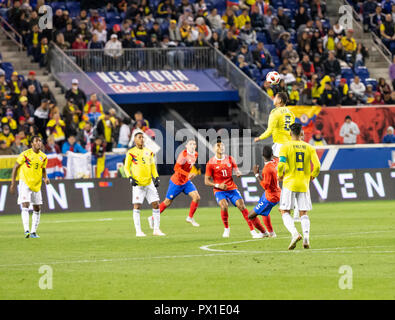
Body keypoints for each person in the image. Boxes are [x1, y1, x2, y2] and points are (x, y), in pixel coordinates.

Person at [205, 138, 266, 238]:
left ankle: (252, 231)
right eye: (218, 145)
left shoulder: (230, 159)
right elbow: (206, 181)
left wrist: (238, 172)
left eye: (222, 145)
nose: (221, 147)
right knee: (224, 206)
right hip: (219, 190)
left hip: (231, 188)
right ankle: (226, 229)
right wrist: (218, 185)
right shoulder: (210, 163)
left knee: (242, 206)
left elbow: (236, 169)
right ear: (214, 148)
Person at [278, 123, 321, 250]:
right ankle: (306, 237)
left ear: (290, 133)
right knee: (303, 212)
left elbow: (281, 165)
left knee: (284, 211)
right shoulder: (309, 147)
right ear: (302, 133)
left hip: (289, 183)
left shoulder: (285, 147)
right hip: (303, 183)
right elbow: (317, 165)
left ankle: (295, 234)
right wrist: (313, 175)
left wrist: (280, 175)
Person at [153, 140, 201, 227]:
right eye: (190, 144)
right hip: (177, 182)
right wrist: (188, 174)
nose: (192, 145)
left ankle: (190, 217)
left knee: (196, 197)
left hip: (186, 181)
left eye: (194, 144)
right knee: (167, 202)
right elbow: (176, 168)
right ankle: (153, 218)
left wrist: (191, 174)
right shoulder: (183, 155)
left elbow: (188, 166)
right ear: (186, 146)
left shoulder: (196, 154)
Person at [124, 132, 164, 237]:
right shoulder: (131, 152)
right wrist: (130, 178)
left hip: (149, 182)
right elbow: (126, 167)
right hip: (138, 183)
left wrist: (156, 177)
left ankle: (156, 229)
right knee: (137, 206)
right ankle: (138, 231)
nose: (141, 139)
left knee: (156, 204)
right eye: (139, 137)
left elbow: (152, 166)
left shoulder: (149, 152)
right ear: (135, 140)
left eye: (143, 137)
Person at [10, 136, 50, 238]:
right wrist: (13, 183)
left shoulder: (43, 157)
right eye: (36, 141)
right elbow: (15, 167)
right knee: (25, 205)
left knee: (37, 208)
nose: (39, 143)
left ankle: (33, 232)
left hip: (36, 184)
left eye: (40, 141)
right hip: (25, 182)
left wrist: (45, 178)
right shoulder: (25, 154)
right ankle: (26, 230)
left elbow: (43, 169)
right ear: (32, 144)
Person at [248, 145, 281, 238]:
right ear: (272, 154)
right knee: (264, 212)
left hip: (271, 197)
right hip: (272, 193)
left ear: (262, 155)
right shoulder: (276, 161)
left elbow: (265, 186)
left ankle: (264, 233)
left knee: (251, 216)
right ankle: (271, 233)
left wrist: (257, 174)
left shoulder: (267, 169)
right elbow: (278, 158)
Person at [254, 92, 295, 158]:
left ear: (279, 100)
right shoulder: (291, 113)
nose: (273, 99)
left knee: (278, 166)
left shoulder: (275, 112)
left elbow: (270, 130)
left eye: (275, 97)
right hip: (290, 145)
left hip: (280, 145)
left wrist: (259, 138)